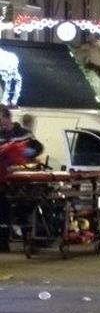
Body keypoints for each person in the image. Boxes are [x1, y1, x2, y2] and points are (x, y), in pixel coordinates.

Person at [0, 105, 44, 252]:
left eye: (2, 122)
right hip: (4, 179)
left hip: (23, 179)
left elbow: (37, 148)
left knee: (24, 208)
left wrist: (24, 154)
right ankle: (3, 243)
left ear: (8, 118)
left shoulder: (24, 134)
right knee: (3, 208)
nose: (1, 126)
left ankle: (28, 240)